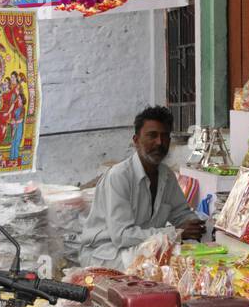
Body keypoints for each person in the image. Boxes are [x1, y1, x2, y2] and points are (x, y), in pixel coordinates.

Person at [79, 106, 205, 267]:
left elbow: (181, 214)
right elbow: (122, 236)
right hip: (107, 253)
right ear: (136, 141)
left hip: (143, 248)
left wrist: (196, 226)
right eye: (152, 135)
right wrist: (175, 233)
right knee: (160, 266)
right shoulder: (119, 176)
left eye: (165, 136)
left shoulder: (167, 176)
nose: (159, 142)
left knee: (192, 260)